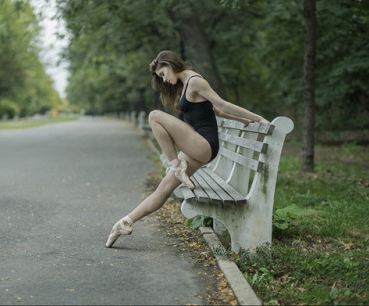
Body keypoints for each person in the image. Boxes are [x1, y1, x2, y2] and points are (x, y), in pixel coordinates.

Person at [106, 50, 270, 248]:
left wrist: (258, 118)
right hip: (199, 146)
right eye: (160, 77)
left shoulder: (195, 81)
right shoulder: (186, 85)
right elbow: (216, 111)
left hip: (204, 145)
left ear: (170, 64)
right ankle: (124, 223)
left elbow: (223, 104)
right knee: (164, 188)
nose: (164, 80)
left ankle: (176, 165)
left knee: (154, 116)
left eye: (162, 73)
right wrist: (243, 120)